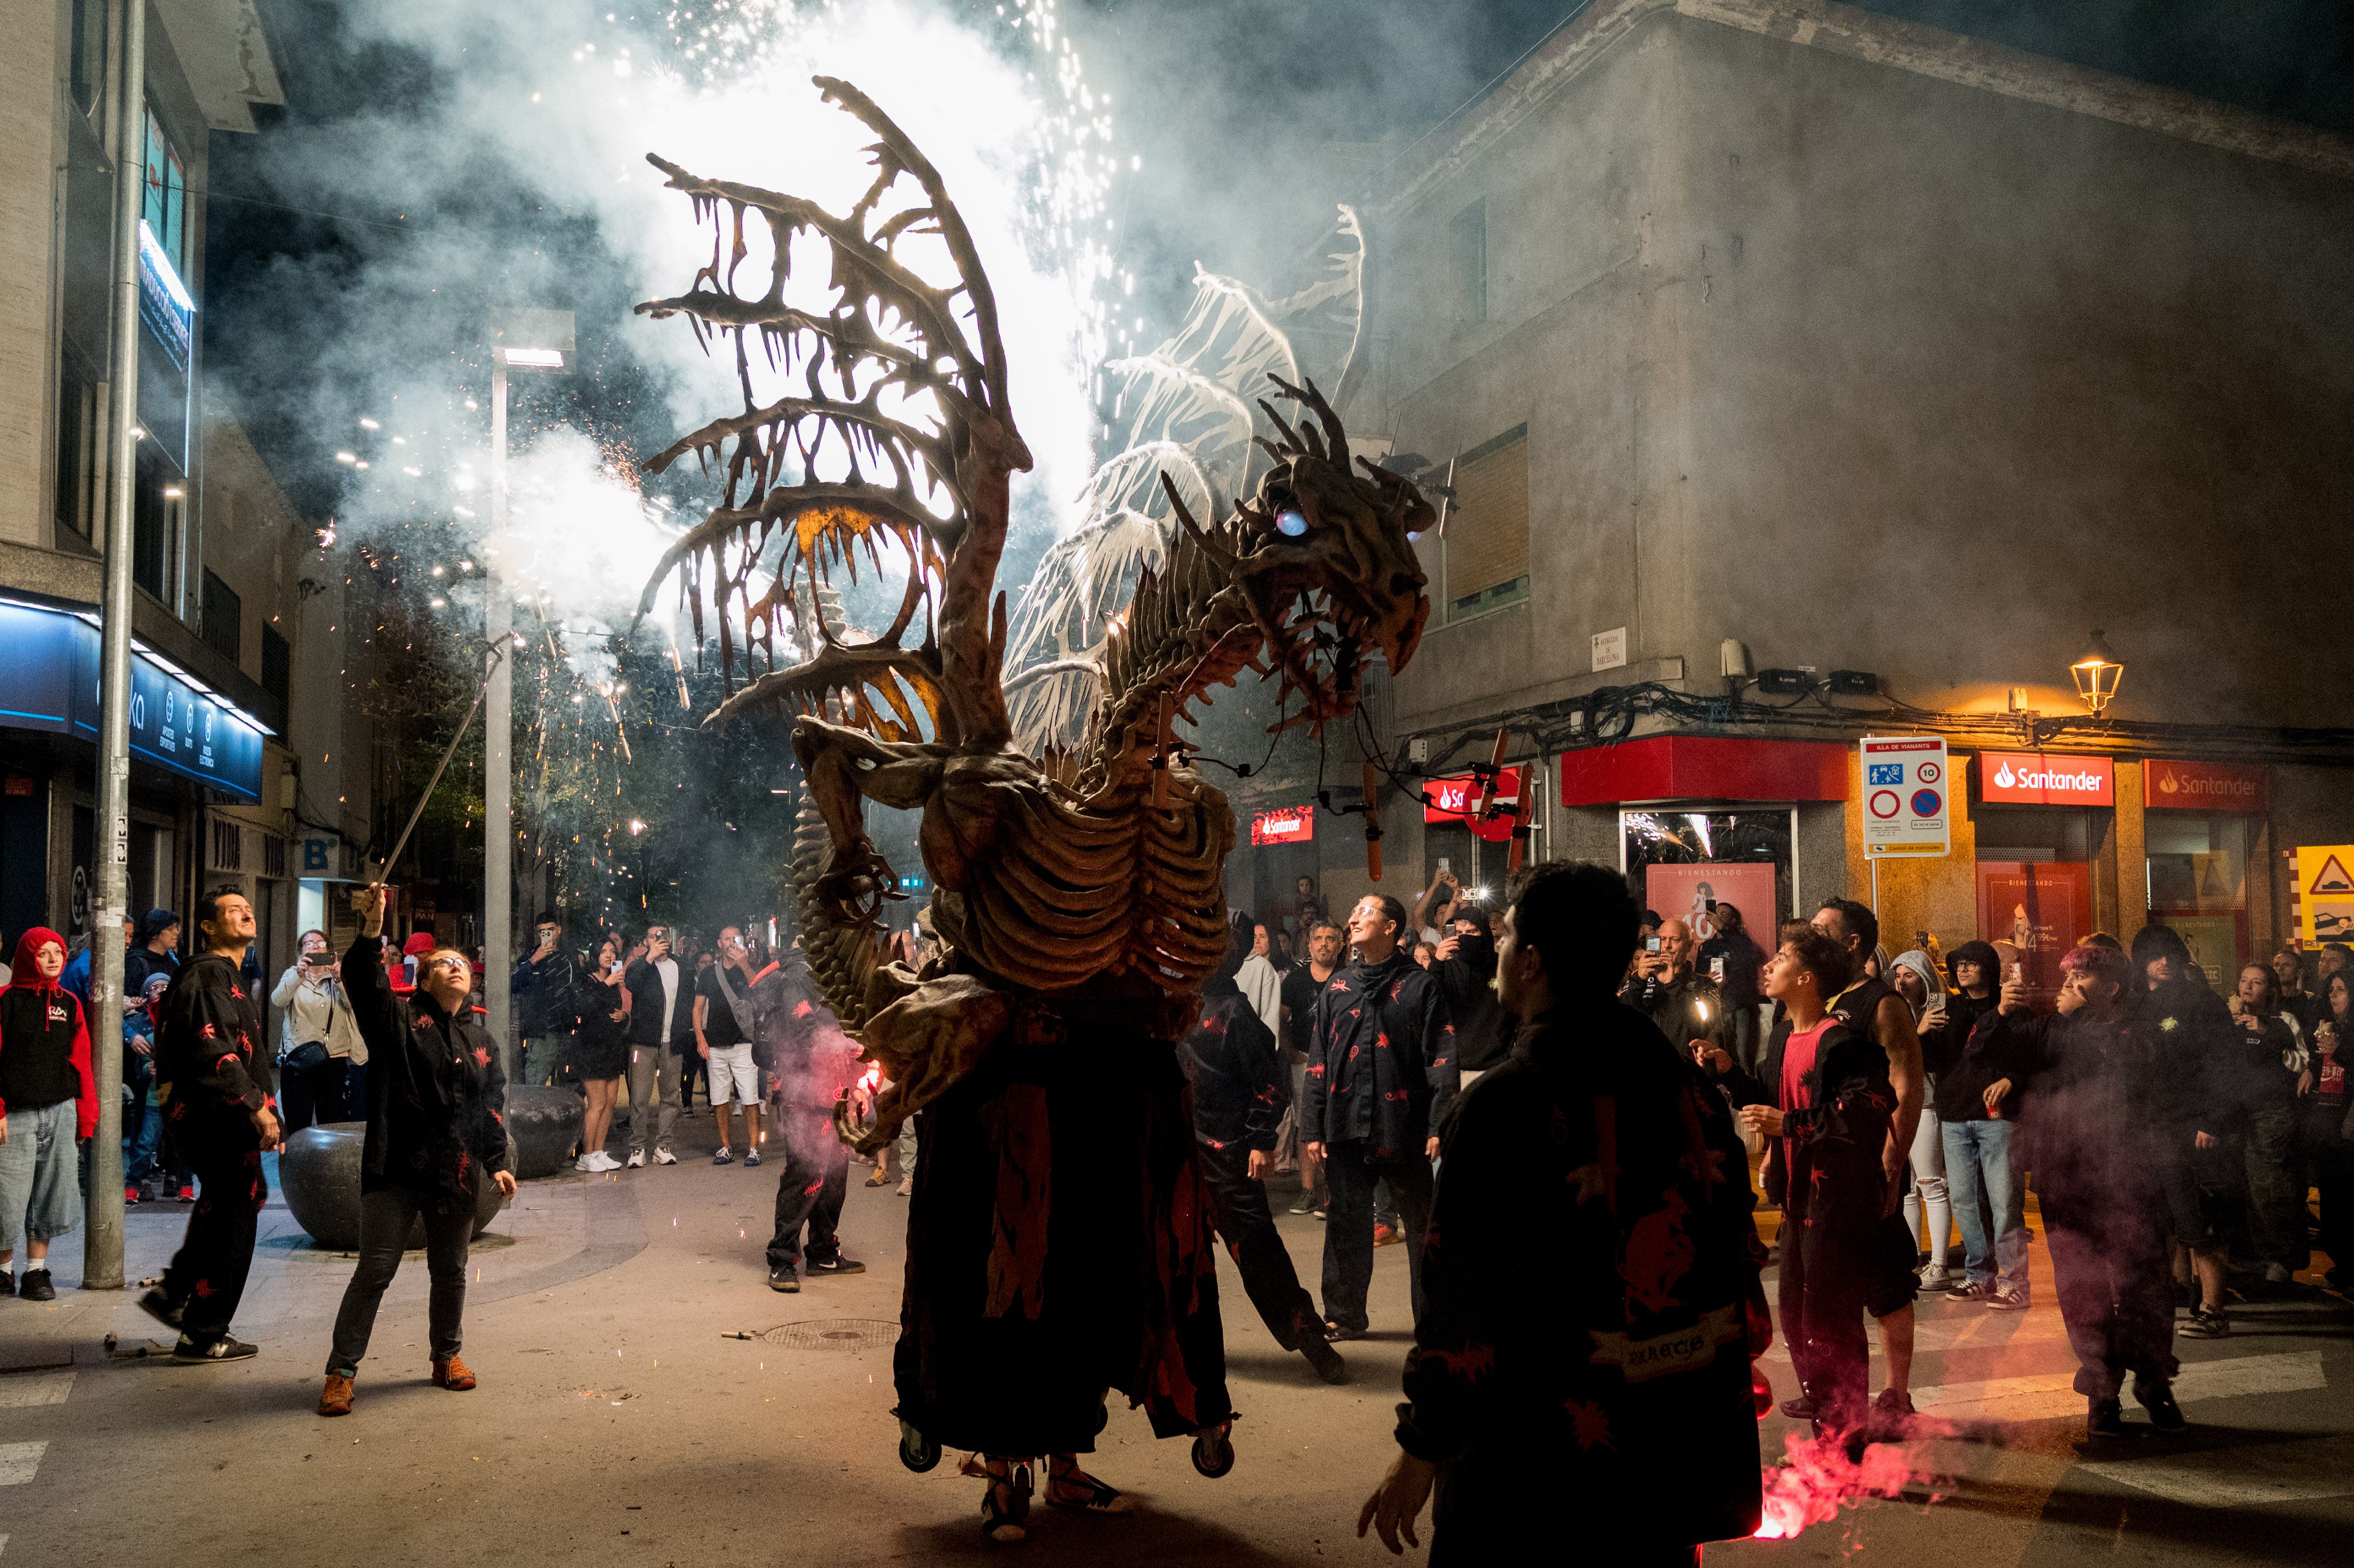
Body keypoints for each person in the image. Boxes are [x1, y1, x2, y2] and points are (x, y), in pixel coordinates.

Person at [1359, 863, 1767, 1564]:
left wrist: (1422, 1447)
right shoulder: (1683, 1088)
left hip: (1533, 1469)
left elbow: (1459, 1297)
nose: (1499, 954)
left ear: (1534, 960)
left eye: (1509, 935)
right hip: (1665, 1458)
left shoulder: (1503, 1106)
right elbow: (1734, 1254)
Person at [1966, 943, 2186, 1439]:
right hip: (2066, 1176)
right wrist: (2000, 1012)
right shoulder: (2050, 1028)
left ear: (2109, 986)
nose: (2067, 984)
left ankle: (2153, 1381)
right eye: (2066, 975)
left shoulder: (2146, 1026)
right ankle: (2102, 1390)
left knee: (2144, 1285)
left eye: (2080, 976)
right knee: (2081, 1287)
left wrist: (2086, 1024)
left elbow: (2156, 1061)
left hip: (2132, 1176)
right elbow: (1983, 1051)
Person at [317, 884, 516, 1416]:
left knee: (451, 1268)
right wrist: (372, 929)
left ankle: (446, 1355)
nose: (455, 968)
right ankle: (341, 1370)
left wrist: (497, 1162)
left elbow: (491, 1106)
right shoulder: (398, 1020)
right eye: (442, 963)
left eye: (461, 963)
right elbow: (364, 980)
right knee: (376, 1268)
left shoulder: (483, 1040)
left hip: (457, 1169)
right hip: (398, 1165)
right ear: (423, 978)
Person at [1735, 923, 1918, 1441]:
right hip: (1796, 1198)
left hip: (1835, 1200)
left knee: (1831, 1320)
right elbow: (1776, 1098)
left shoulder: (1842, 1043)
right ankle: (1827, 1421)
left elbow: (1862, 1113)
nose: (1769, 966)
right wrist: (1728, 1072)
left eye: (1782, 958)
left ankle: (1846, 1435)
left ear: (1808, 978)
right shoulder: (1782, 1035)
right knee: (1794, 1313)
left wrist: (1787, 1126)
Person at [1178, 917, 1347, 1383]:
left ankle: (1312, 1341)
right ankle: (1193, 1353)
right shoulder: (1175, 1008)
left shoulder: (1237, 1013)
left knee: (1260, 1257)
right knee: (1182, 1263)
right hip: (1181, 1158)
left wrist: (1258, 1141)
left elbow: (1270, 1085)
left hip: (1229, 1158)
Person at [1301, 893, 1457, 1340]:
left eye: (1366, 912)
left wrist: (1438, 1124)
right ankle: (1345, 1316)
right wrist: (1313, 1126)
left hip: (1404, 1128)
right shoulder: (1338, 988)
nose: (1354, 917)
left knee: (1424, 1232)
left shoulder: (1420, 986)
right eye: (1353, 911)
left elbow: (1442, 1058)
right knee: (1346, 1225)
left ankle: (1435, 1321)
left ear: (1392, 927)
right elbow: (1319, 1061)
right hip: (1347, 1127)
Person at [143, 887, 281, 1363]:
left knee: (230, 1202)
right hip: (214, 1114)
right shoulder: (208, 973)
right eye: (232, 909)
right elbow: (214, 1050)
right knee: (235, 1212)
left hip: (220, 1113)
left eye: (248, 908)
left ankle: (177, 1295)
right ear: (207, 926)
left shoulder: (228, 975)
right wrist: (255, 1106)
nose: (246, 912)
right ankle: (203, 1331)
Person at [2130, 924, 2239, 1337]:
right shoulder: (2143, 1005)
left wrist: (2213, 1121)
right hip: (2156, 1125)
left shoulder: (2203, 1004)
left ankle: (2214, 1310)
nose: (2164, 962)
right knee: (2169, 1217)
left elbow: (2226, 1068)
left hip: (2192, 1126)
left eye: (2171, 955)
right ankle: (2180, 1290)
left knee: (2198, 1217)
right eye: (2156, 956)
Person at [0, 929, 99, 1301]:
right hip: (15, 1116)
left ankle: (36, 1273)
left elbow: (82, 1062)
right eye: (44, 953)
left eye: (58, 951)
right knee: (6, 1196)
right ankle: (4, 1271)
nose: (54, 959)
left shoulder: (70, 1004)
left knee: (48, 1195)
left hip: (60, 1113)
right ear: (28, 957)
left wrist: (85, 1116)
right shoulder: (5, 1002)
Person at [762, 944, 865, 1292]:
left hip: (836, 1094)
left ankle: (823, 1250)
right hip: (804, 1096)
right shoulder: (796, 980)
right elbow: (802, 1036)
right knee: (804, 1175)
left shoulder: (835, 974)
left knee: (835, 1178)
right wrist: (845, 1042)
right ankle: (781, 1258)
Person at [1933, 940, 2027, 1304]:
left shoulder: (2013, 1008)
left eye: (1972, 964)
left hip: (1996, 1119)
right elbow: (1933, 1059)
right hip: (1956, 1116)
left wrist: (2012, 1080)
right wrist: (1923, 1029)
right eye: (1959, 965)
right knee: (1963, 1201)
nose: (1964, 970)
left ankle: (2015, 1282)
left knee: (2005, 1202)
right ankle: (1979, 1274)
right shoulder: (1949, 1008)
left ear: (1988, 967)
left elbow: (2030, 1055)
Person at [2227, 962, 2310, 1287]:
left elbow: (2302, 1060)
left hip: (2272, 1115)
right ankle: (2251, 1255)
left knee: (2272, 1189)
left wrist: (2265, 1033)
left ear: (2270, 990)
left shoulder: (2282, 1021)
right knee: (2242, 1188)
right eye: (2244, 980)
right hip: (2237, 1115)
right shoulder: (2228, 1019)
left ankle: (2281, 1258)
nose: (2248, 987)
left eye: (2257, 983)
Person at [1887, 950, 1955, 1292]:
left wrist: (1923, 1029)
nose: (1901, 981)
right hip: (1899, 1103)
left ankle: (1940, 1264)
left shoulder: (1938, 1011)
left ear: (1925, 976)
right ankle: (1913, 1258)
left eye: (1909, 974)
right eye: (1897, 975)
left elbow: (1940, 1058)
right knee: (1908, 1186)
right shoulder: (1896, 1011)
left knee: (1931, 1183)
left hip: (1927, 1104)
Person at [271, 930, 368, 1132]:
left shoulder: (340, 977)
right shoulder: (292, 974)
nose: (315, 947)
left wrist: (339, 980)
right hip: (300, 1056)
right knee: (298, 1122)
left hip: (334, 1056)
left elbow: (353, 1006)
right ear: (301, 953)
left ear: (330, 951)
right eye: (309, 944)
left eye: (321, 943)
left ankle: (326, 1164)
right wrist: (298, 975)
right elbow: (278, 1000)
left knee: (330, 1122)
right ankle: (297, 1162)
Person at [1280, 919, 1344, 1217]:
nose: (1324, 944)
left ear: (1341, 944)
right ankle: (1308, 1192)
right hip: (1306, 1060)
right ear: (1309, 945)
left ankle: (1332, 1191)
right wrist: (1291, 1051)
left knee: (1336, 1126)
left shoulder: (1349, 976)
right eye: (1318, 938)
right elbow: (1280, 1017)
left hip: (1341, 1062)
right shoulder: (1295, 980)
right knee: (1306, 1126)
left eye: (1331, 938)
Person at [697, 925, 765, 1166]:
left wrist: (745, 965)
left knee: (750, 1098)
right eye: (727, 939)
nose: (731, 943)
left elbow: (759, 991)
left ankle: (754, 1148)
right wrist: (700, 1038)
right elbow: (697, 1008)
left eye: (735, 939)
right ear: (719, 943)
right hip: (715, 1045)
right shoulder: (708, 974)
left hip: (744, 1044)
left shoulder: (748, 969)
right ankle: (726, 1146)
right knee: (719, 1098)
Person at [1617, 917, 1727, 1066]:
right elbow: (1622, 1018)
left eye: (1675, 940)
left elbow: (1703, 1027)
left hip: (1684, 1069)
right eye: (1662, 939)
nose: (1667, 946)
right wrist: (1639, 980)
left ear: (1689, 946)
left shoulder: (1704, 985)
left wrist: (1672, 984)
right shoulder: (1640, 979)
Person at [621, 924, 688, 1166]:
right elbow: (631, 983)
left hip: (673, 1042)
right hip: (643, 1042)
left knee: (671, 1097)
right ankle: (637, 1148)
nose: (660, 939)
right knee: (639, 1098)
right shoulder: (641, 965)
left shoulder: (681, 966)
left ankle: (663, 1145)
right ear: (646, 940)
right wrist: (648, 958)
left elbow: (688, 999)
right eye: (654, 936)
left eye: (663, 935)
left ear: (670, 939)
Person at [1429, 906, 1510, 1089]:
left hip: (1495, 1064)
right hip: (1455, 1066)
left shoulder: (1501, 965)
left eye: (1472, 932)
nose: (1464, 937)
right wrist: (1437, 962)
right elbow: (1430, 1001)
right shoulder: (1447, 968)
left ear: (1484, 933)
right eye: (1459, 932)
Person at [2307, 972, 2352, 1286]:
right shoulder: (2328, 1026)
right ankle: (2343, 1259)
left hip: (2349, 1125)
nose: (2335, 996)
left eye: (2342, 990)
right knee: (2331, 1195)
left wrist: (2340, 1049)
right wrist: (2310, 1070)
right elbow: (2319, 1061)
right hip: (2327, 1119)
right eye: (2331, 991)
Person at [572, 938, 630, 1171]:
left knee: (610, 1102)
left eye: (612, 951)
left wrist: (623, 1017)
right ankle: (586, 1157)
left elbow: (613, 1011)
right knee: (596, 1104)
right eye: (603, 951)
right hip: (591, 1049)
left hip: (612, 1048)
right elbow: (584, 1009)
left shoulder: (615, 981)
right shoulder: (588, 981)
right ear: (595, 954)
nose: (608, 955)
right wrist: (606, 983)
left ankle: (598, 1151)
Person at [1697, 902, 1767, 1075]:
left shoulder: (1741, 942)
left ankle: (1745, 1095)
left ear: (1734, 920)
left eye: (1725, 915)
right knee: (1715, 1054)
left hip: (1739, 1006)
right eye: (1717, 913)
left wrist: (1725, 930)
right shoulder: (1707, 946)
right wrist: (1708, 981)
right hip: (1714, 1007)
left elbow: (1750, 956)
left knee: (1742, 1056)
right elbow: (1698, 975)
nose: (1720, 917)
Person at [512, 918, 581, 1088]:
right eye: (542, 931)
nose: (546, 934)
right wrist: (534, 960)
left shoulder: (569, 959)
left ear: (559, 930)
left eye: (550, 930)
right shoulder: (528, 957)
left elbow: (577, 992)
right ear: (538, 934)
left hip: (566, 1031)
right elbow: (513, 985)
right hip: (540, 1033)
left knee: (567, 1090)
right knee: (535, 1089)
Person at [1233, 920, 1285, 1040]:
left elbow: (1271, 1019)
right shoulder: (1236, 964)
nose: (1257, 941)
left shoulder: (1274, 969)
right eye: (1254, 937)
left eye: (1262, 937)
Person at [2273, 946, 2322, 1035]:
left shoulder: (2311, 1001)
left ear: (2299, 972)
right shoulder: (2267, 1000)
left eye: (2286, 965)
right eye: (2276, 965)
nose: (2280, 969)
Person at [1412, 865, 1461, 946]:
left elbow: (1447, 925)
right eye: (1441, 912)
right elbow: (1417, 914)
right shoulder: (1428, 933)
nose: (1445, 914)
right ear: (1435, 919)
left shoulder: (1456, 934)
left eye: (1448, 911)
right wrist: (1434, 885)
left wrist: (1456, 889)